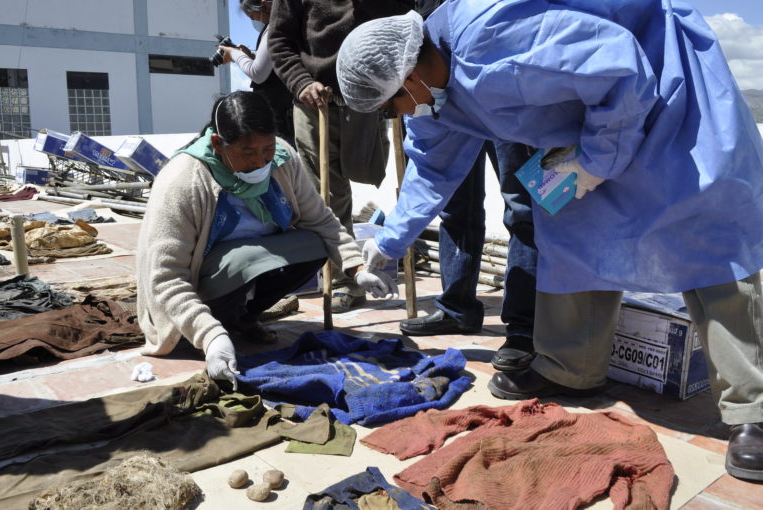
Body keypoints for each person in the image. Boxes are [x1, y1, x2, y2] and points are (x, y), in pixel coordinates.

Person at [336, 1, 763, 482]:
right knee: (560, 213)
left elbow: (618, 62)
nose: (398, 116)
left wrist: (597, 160)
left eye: (391, 106)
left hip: (666, 89)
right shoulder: (435, 98)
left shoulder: (489, 32)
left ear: (408, 75)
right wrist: (389, 243)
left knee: (702, 226)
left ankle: (753, 410)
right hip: (588, 125)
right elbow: (432, 168)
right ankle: (570, 368)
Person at [136, 91, 397, 390]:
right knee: (245, 261)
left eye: (267, 150)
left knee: (312, 243)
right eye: (248, 153)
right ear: (218, 144)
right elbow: (166, 277)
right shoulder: (182, 180)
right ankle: (215, 325)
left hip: (246, 271)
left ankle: (242, 317)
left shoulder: (283, 160)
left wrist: (356, 268)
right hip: (201, 284)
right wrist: (211, 336)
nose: (260, 162)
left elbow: (321, 220)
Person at [266, 0, 414, 313]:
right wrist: (302, 82)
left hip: (369, 95)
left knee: (370, 172)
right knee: (327, 197)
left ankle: (379, 271)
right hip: (314, 101)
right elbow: (279, 40)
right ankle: (347, 280)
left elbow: (404, 24)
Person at [398, 140, 539, 373]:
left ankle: (524, 327)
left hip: (506, 108)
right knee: (455, 202)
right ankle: (457, 309)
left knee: (522, 210)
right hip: (456, 111)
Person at [218, 0, 295, 146]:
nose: (254, 21)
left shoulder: (274, 27)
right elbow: (272, 62)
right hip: (282, 108)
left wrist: (233, 54)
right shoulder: (282, 24)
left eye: (253, 17)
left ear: (263, 6)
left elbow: (258, 73)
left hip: (278, 111)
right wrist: (251, 56)